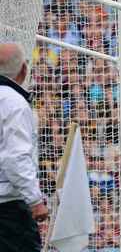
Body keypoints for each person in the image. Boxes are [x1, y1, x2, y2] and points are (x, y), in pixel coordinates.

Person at [0, 42, 48, 252]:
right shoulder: (14, 103)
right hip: (9, 206)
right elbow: (15, 158)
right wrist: (35, 200)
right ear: (24, 68)